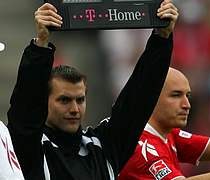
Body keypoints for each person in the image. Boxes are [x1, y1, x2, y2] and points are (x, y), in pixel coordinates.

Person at [7, 1, 178, 180]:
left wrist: (162, 37)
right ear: (44, 102)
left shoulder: (104, 147)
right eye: (64, 100)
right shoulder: (31, 148)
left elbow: (139, 97)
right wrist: (40, 45)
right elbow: (25, 107)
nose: (74, 109)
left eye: (80, 100)